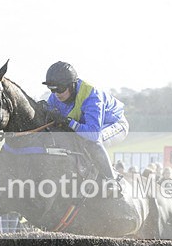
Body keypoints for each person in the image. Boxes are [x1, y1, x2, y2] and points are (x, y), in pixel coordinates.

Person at [41, 61, 128, 191]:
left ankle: (112, 181)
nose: (56, 94)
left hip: (114, 125)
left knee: (92, 143)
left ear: (71, 85)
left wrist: (68, 122)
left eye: (60, 89)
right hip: (87, 127)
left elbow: (93, 134)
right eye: (52, 89)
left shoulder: (92, 96)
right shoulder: (55, 97)